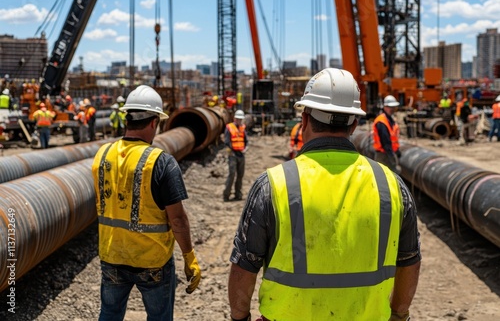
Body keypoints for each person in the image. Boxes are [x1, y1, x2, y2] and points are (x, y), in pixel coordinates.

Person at [228, 68, 421, 321]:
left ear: (304, 120)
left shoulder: (274, 184)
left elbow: (244, 266)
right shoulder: (391, 184)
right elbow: (409, 260)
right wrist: (398, 315)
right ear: (354, 124)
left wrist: (239, 318)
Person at [92, 85, 201, 320]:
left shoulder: (102, 155)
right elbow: (178, 219)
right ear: (154, 122)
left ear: (127, 118)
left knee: (109, 314)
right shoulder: (161, 162)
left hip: (112, 255)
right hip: (152, 261)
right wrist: (188, 256)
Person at [223, 109, 248, 202]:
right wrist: (230, 152)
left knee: (240, 175)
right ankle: (226, 195)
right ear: (234, 118)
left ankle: (238, 194)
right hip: (233, 155)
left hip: (241, 154)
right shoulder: (229, 127)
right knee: (232, 174)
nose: (239, 121)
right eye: (238, 119)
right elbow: (226, 142)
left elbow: (246, 141)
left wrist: (245, 149)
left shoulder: (243, 128)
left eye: (240, 119)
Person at [373, 95, 402, 174]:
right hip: (384, 155)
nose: (392, 109)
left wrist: (397, 151)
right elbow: (385, 142)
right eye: (390, 107)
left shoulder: (390, 120)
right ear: (385, 107)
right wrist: (392, 157)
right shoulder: (382, 121)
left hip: (389, 153)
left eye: (393, 107)